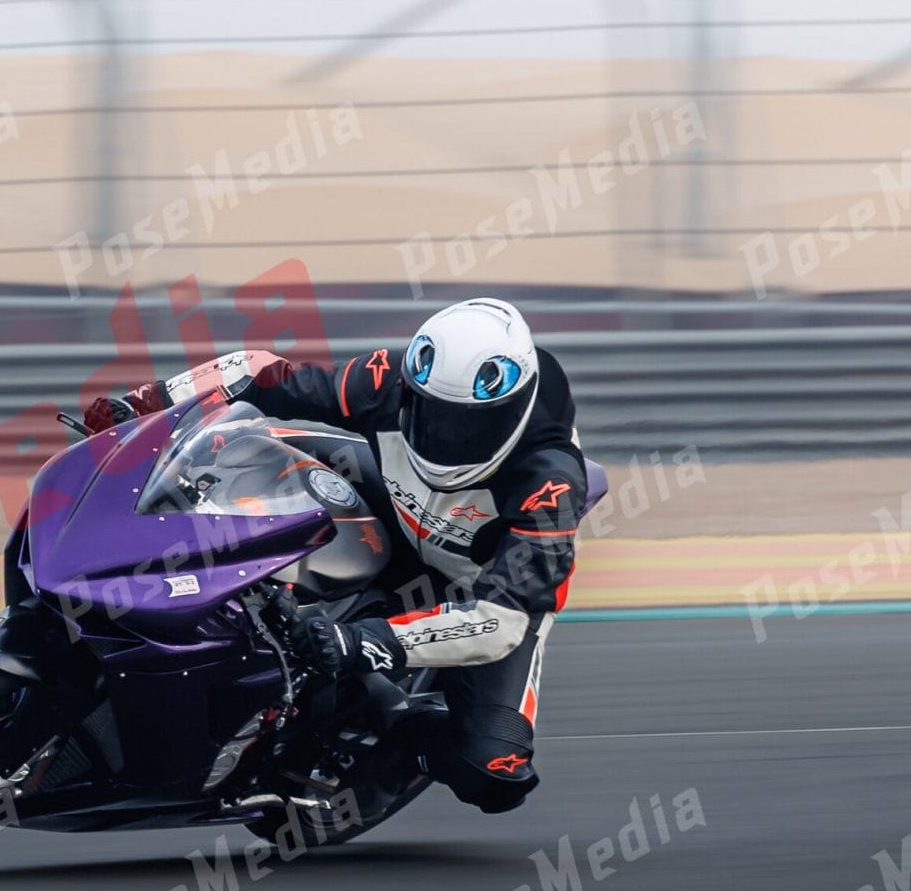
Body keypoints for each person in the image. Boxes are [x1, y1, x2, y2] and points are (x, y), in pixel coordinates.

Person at [83, 297, 585, 813]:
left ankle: (398, 740)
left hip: (478, 582)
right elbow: (261, 374)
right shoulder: (387, 379)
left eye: (468, 426)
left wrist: (363, 641)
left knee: (494, 772)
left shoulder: (550, 483)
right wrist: (147, 406)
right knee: (235, 445)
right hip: (391, 499)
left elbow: (501, 622)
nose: (445, 436)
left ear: (514, 412)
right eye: (431, 414)